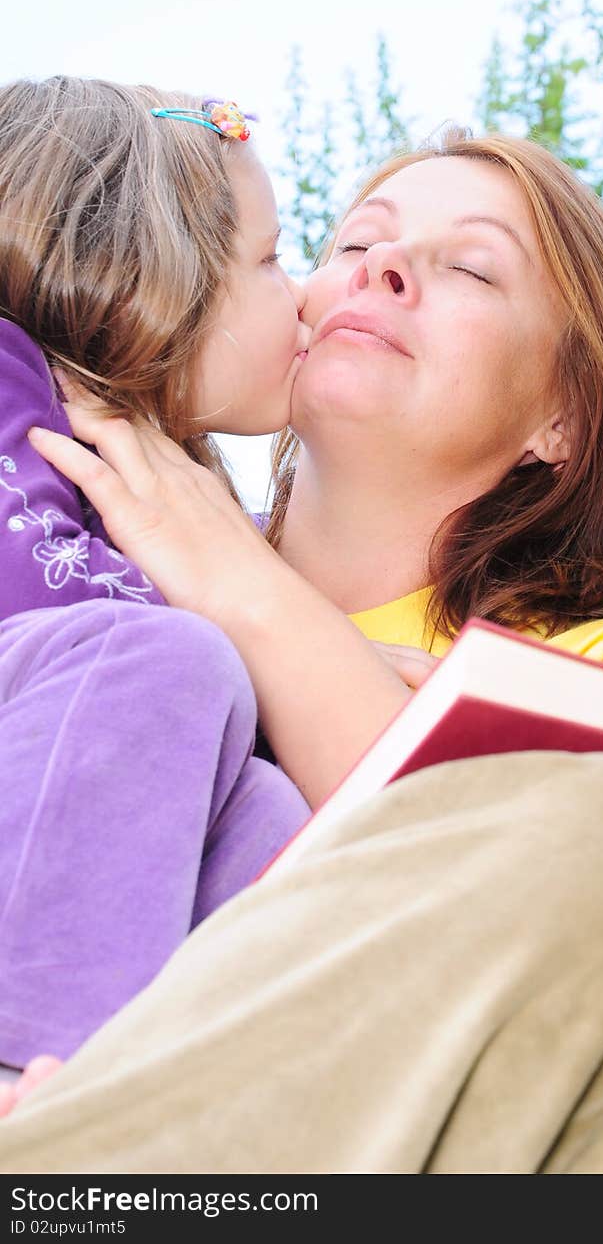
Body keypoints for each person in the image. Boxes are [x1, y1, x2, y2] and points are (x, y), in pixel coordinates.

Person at [0, 128, 603, 1172]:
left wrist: (239, 586)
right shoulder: (82, 572)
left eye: (469, 265)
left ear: (564, 414)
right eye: (351, 243)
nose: (383, 266)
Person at [0, 76, 319, 1068]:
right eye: (268, 260)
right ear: (145, 277)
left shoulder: (177, 484)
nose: (302, 292)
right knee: (165, 664)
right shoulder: (9, 370)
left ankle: (175, 1114)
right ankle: (30, 1077)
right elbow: (40, 594)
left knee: (271, 816)